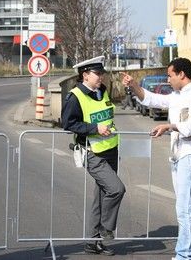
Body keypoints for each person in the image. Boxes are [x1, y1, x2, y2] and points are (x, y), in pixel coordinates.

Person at [121, 58, 191, 260]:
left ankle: (185, 256)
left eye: (170, 75)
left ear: (182, 74)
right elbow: (153, 99)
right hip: (180, 155)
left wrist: (169, 126)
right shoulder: (178, 95)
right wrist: (134, 85)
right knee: (189, 207)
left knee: (184, 209)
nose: (168, 79)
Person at [61, 55, 125, 256]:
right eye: (97, 74)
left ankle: (92, 242)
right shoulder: (75, 96)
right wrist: (95, 128)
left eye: (102, 73)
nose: (101, 77)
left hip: (110, 150)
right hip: (92, 152)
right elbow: (68, 124)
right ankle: (106, 229)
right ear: (85, 75)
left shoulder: (102, 91)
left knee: (101, 197)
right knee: (116, 189)